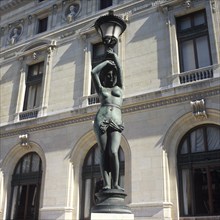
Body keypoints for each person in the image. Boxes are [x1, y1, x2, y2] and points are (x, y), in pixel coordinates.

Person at [91, 48, 124, 191]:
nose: (110, 77)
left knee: (114, 151)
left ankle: (116, 184)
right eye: (108, 75)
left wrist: (114, 57)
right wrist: (105, 63)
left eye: (112, 75)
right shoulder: (101, 90)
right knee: (104, 153)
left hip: (116, 120)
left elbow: (120, 69)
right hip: (102, 119)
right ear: (104, 78)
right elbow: (93, 72)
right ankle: (106, 184)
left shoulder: (119, 88)